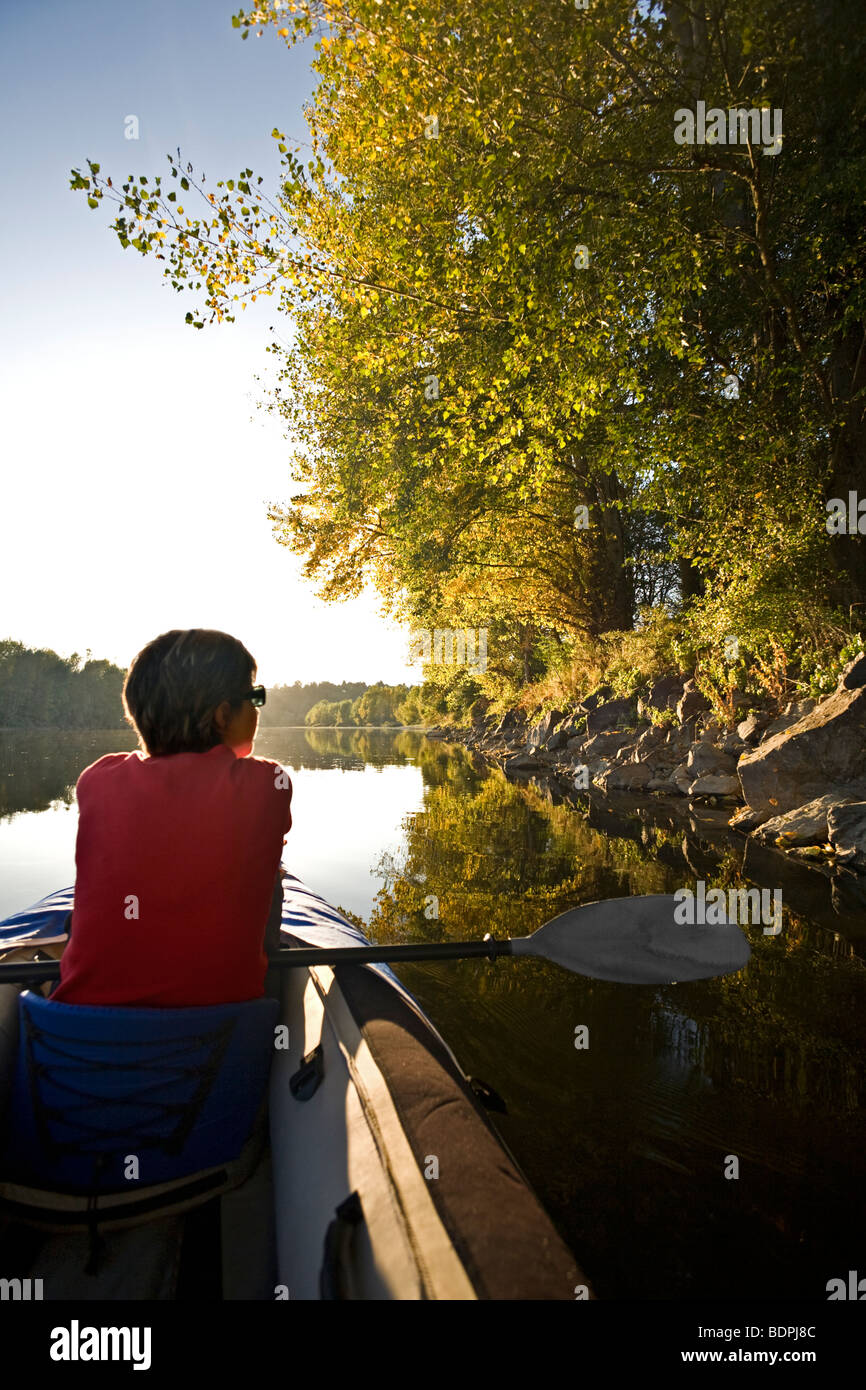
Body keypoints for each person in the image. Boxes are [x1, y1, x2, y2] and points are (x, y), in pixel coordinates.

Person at [51, 629, 292, 1007]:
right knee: (272, 880)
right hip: (223, 1037)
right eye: (254, 698)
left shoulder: (97, 778)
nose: (257, 710)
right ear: (223, 714)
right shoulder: (269, 783)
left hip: (74, 1033)